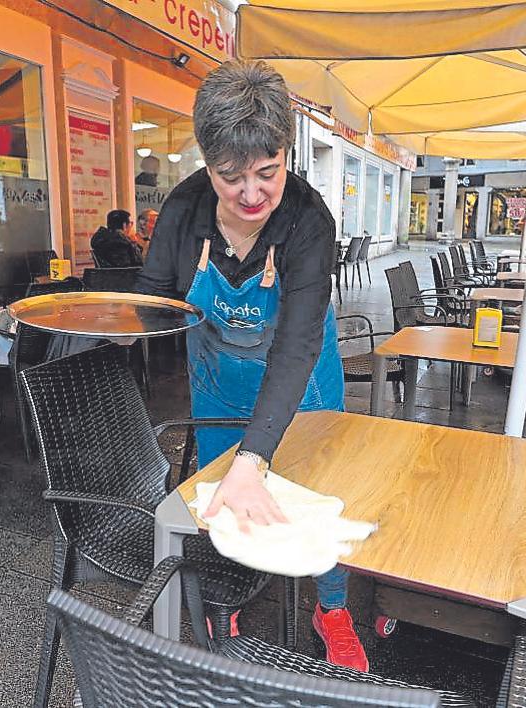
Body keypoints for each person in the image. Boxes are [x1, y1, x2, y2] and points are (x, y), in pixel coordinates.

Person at [135, 60, 366, 671]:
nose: (251, 193)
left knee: (319, 499)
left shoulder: (308, 222)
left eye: (268, 172)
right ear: (207, 164)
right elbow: (154, 294)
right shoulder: (184, 211)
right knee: (223, 497)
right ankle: (224, 596)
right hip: (217, 377)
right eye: (231, 177)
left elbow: (296, 345)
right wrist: (105, 330)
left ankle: (333, 608)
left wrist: (257, 453)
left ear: (286, 154)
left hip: (302, 381)